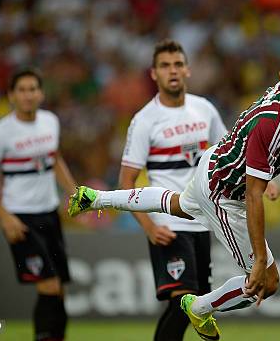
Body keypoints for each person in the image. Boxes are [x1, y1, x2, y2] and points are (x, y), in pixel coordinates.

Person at [68, 47, 280, 340]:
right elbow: (253, 197)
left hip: (213, 164)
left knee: (177, 203)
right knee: (266, 283)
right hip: (224, 194)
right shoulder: (270, 120)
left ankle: (95, 198)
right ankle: (199, 307)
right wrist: (258, 260)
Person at [119, 39, 227, 341]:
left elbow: (228, 154)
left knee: (197, 306)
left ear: (188, 70)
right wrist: (149, 226)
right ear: (154, 74)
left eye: (178, 64)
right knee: (184, 302)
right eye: (165, 66)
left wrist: (263, 182)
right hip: (167, 223)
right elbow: (126, 181)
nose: (173, 71)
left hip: (201, 220)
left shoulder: (204, 109)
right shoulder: (144, 121)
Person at [0, 69, 77, 341]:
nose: (28, 95)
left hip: (50, 214)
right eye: (22, 90)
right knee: (49, 287)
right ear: (11, 95)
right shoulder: (1, 131)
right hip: (21, 218)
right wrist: (5, 218)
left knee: (60, 289)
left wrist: (75, 193)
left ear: (41, 93)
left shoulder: (50, 121)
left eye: (33, 89)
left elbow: (55, 160)